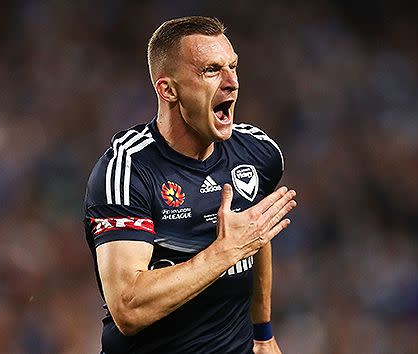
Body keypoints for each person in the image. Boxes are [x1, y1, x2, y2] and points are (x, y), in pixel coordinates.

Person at [83, 16, 297, 354]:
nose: (232, 83)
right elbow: (128, 309)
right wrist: (224, 252)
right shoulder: (128, 170)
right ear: (168, 89)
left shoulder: (257, 152)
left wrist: (263, 332)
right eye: (211, 70)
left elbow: (257, 236)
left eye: (233, 67)